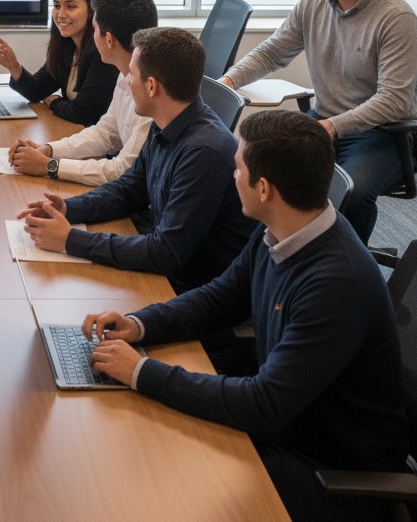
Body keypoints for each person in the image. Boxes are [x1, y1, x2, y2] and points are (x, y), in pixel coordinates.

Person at [82, 110, 407, 522]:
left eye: (238, 169)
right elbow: (220, 298)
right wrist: (141, 323)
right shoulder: (282, 228)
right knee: (143, 446)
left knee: (164, 486)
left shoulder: (337, 284)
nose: (232, 176)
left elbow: (264, 404)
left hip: (331, 473)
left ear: (265, 188)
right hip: (289, 426)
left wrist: (141, 372)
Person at [219, 0, 417, 244]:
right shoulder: (313, 3)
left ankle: (346, 269)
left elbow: (394, 100)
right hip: (322, 123)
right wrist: (229, 80)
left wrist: (332, 127)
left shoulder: (396, 19)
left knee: (352, 191)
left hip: (381, 136)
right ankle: (267, 255)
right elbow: (272, 53)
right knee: (257, 168)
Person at [18, 27, 256, 293]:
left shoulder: (203, 153)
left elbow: (165, 253)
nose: (126, 82)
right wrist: (67, 209)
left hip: (191, 288)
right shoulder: (166, 121)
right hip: (169, 269)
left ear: (152, 86)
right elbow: (129, 189)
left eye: (132, 75)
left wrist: (70, 239)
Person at [8, 0, 157, 185]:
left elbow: (123, 172)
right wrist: (49, 149)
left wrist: (50, 166)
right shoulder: (126, 77)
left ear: (109, 40)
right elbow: (106, 134)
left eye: (94, 29)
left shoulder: (151, 93)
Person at [0, 0, 118, 127]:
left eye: (71, 6)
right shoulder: (67, 46)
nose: (61, 14)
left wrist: (55, 101)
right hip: (77, 133)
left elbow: (83, 114)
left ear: (92, 11)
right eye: (57, 6)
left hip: (99, 142)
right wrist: (14, 67)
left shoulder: (102, 53)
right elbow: (36, 91)